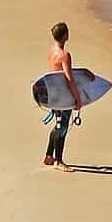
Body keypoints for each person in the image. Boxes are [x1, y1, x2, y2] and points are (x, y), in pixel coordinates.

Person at [43, 21, 85, 170]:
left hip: (53, 94)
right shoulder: (65, 55)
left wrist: (84, 71)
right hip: (63, 97)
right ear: (66, 35)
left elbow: (59, 71)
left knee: (58, 125)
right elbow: (69, 78)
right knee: (63, 127)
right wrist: (78, 99)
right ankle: (58, 161)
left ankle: (49, 155)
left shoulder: (51, 51)